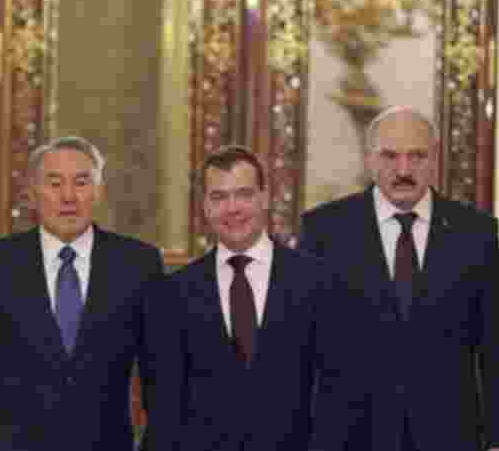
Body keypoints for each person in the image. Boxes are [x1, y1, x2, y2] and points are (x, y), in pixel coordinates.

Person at [300, 106, 499, 451]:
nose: (403, 170)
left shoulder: (475, 232)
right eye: (390, 156)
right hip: (349, 434)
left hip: (447, 433)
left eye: (416, 156)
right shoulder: (324, 230)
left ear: (435, 159)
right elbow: (302, 345)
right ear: (370, 159)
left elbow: (497, 347)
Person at [0, 136, 166, 451]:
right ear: (32, 193)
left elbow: (162, 380)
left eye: (82, 182)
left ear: (98, 191)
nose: (68, 196)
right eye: (54, 183)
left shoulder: (137, 264)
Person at [150, 146, 352, 451]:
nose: (233, 208)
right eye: (219, 197)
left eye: (243, 194)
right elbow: (165, 411)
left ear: (265, 198)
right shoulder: (174, 293)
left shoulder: (318, 282)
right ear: (204, 206)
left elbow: (337, 397)